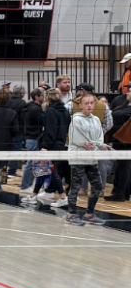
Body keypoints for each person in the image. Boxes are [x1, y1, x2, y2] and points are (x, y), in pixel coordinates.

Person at [65, 92, 108, 225]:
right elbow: (75, 138)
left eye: (91, 103)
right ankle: (71, 214)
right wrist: (84, 143)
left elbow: (99, 136)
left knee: (98, 185)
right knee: (76, 185)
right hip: (78, 156)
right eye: (86, 103)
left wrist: (101, 145)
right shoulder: (76, 119)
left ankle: (89, 214)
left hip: (91, 156)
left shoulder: (95, 119)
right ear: (81, 105)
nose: (89, 106)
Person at [35, 88, 71, 207]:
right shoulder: (65, 110)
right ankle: (48, 192)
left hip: (52, 144)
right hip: (61, 143)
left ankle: (62, 196)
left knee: (51, 170)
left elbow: (50, 130)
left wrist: (45, 146)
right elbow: (67, 127)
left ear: (47, 97)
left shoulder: (51, 111)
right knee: (52, 170)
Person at [18, 88, 46, 195]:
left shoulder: (30, 107)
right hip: (34, 138)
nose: (44, 98)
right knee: (32, 162)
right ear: (37, 97)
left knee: (35, 162)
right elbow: (43, 121)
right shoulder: (35, 109)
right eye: (42, 96)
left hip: (31, 138)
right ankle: (25, 186)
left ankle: (30, 184)